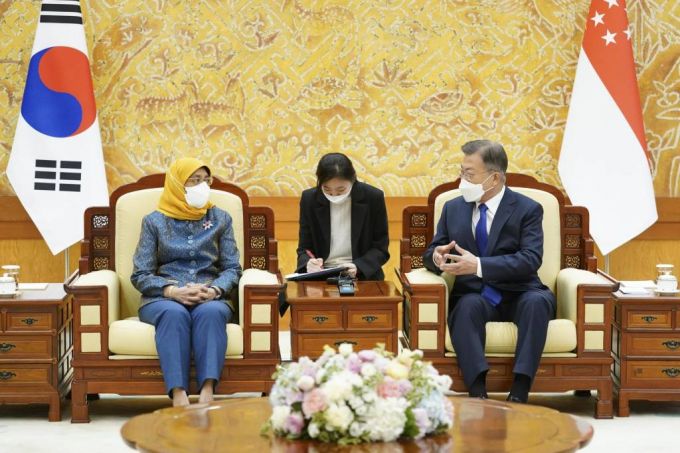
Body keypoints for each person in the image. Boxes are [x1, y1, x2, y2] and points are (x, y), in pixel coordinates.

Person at [423, 140, 556, 403]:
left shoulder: (528, 209)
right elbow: (432, 251)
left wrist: (479, 266)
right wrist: (437, 257)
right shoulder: (453, 208)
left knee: (537, 303)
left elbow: (530, 259)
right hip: (476, 294)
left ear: (494, 178)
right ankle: (477, 390)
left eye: (469, 174)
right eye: (462, 172)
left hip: (521, 291)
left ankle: (520, 389)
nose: (462, 181)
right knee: (465, 308)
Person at [131, 157, 242, 407]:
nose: (202, 186)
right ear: (177, 183)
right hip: (163, 297)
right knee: (174, 314)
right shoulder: (154, 221)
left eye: (206, 180)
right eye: (194, 180)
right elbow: (140, 274)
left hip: (208, 293)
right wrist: (172, 291)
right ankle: (178, 393)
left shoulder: (220, 218)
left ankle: (207, 390)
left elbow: (233, 268)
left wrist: (214, 290)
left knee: (212, 313)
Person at [296, 152, 390, 280]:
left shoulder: (373, 198)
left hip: (361, 274)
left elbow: (380, 248)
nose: (334, 195)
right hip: (321, 274)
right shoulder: (310, 199)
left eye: (341, 190)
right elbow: (304, 248)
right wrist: (309, 262)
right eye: (327, 189)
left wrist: (358, 267)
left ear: (353, 180)